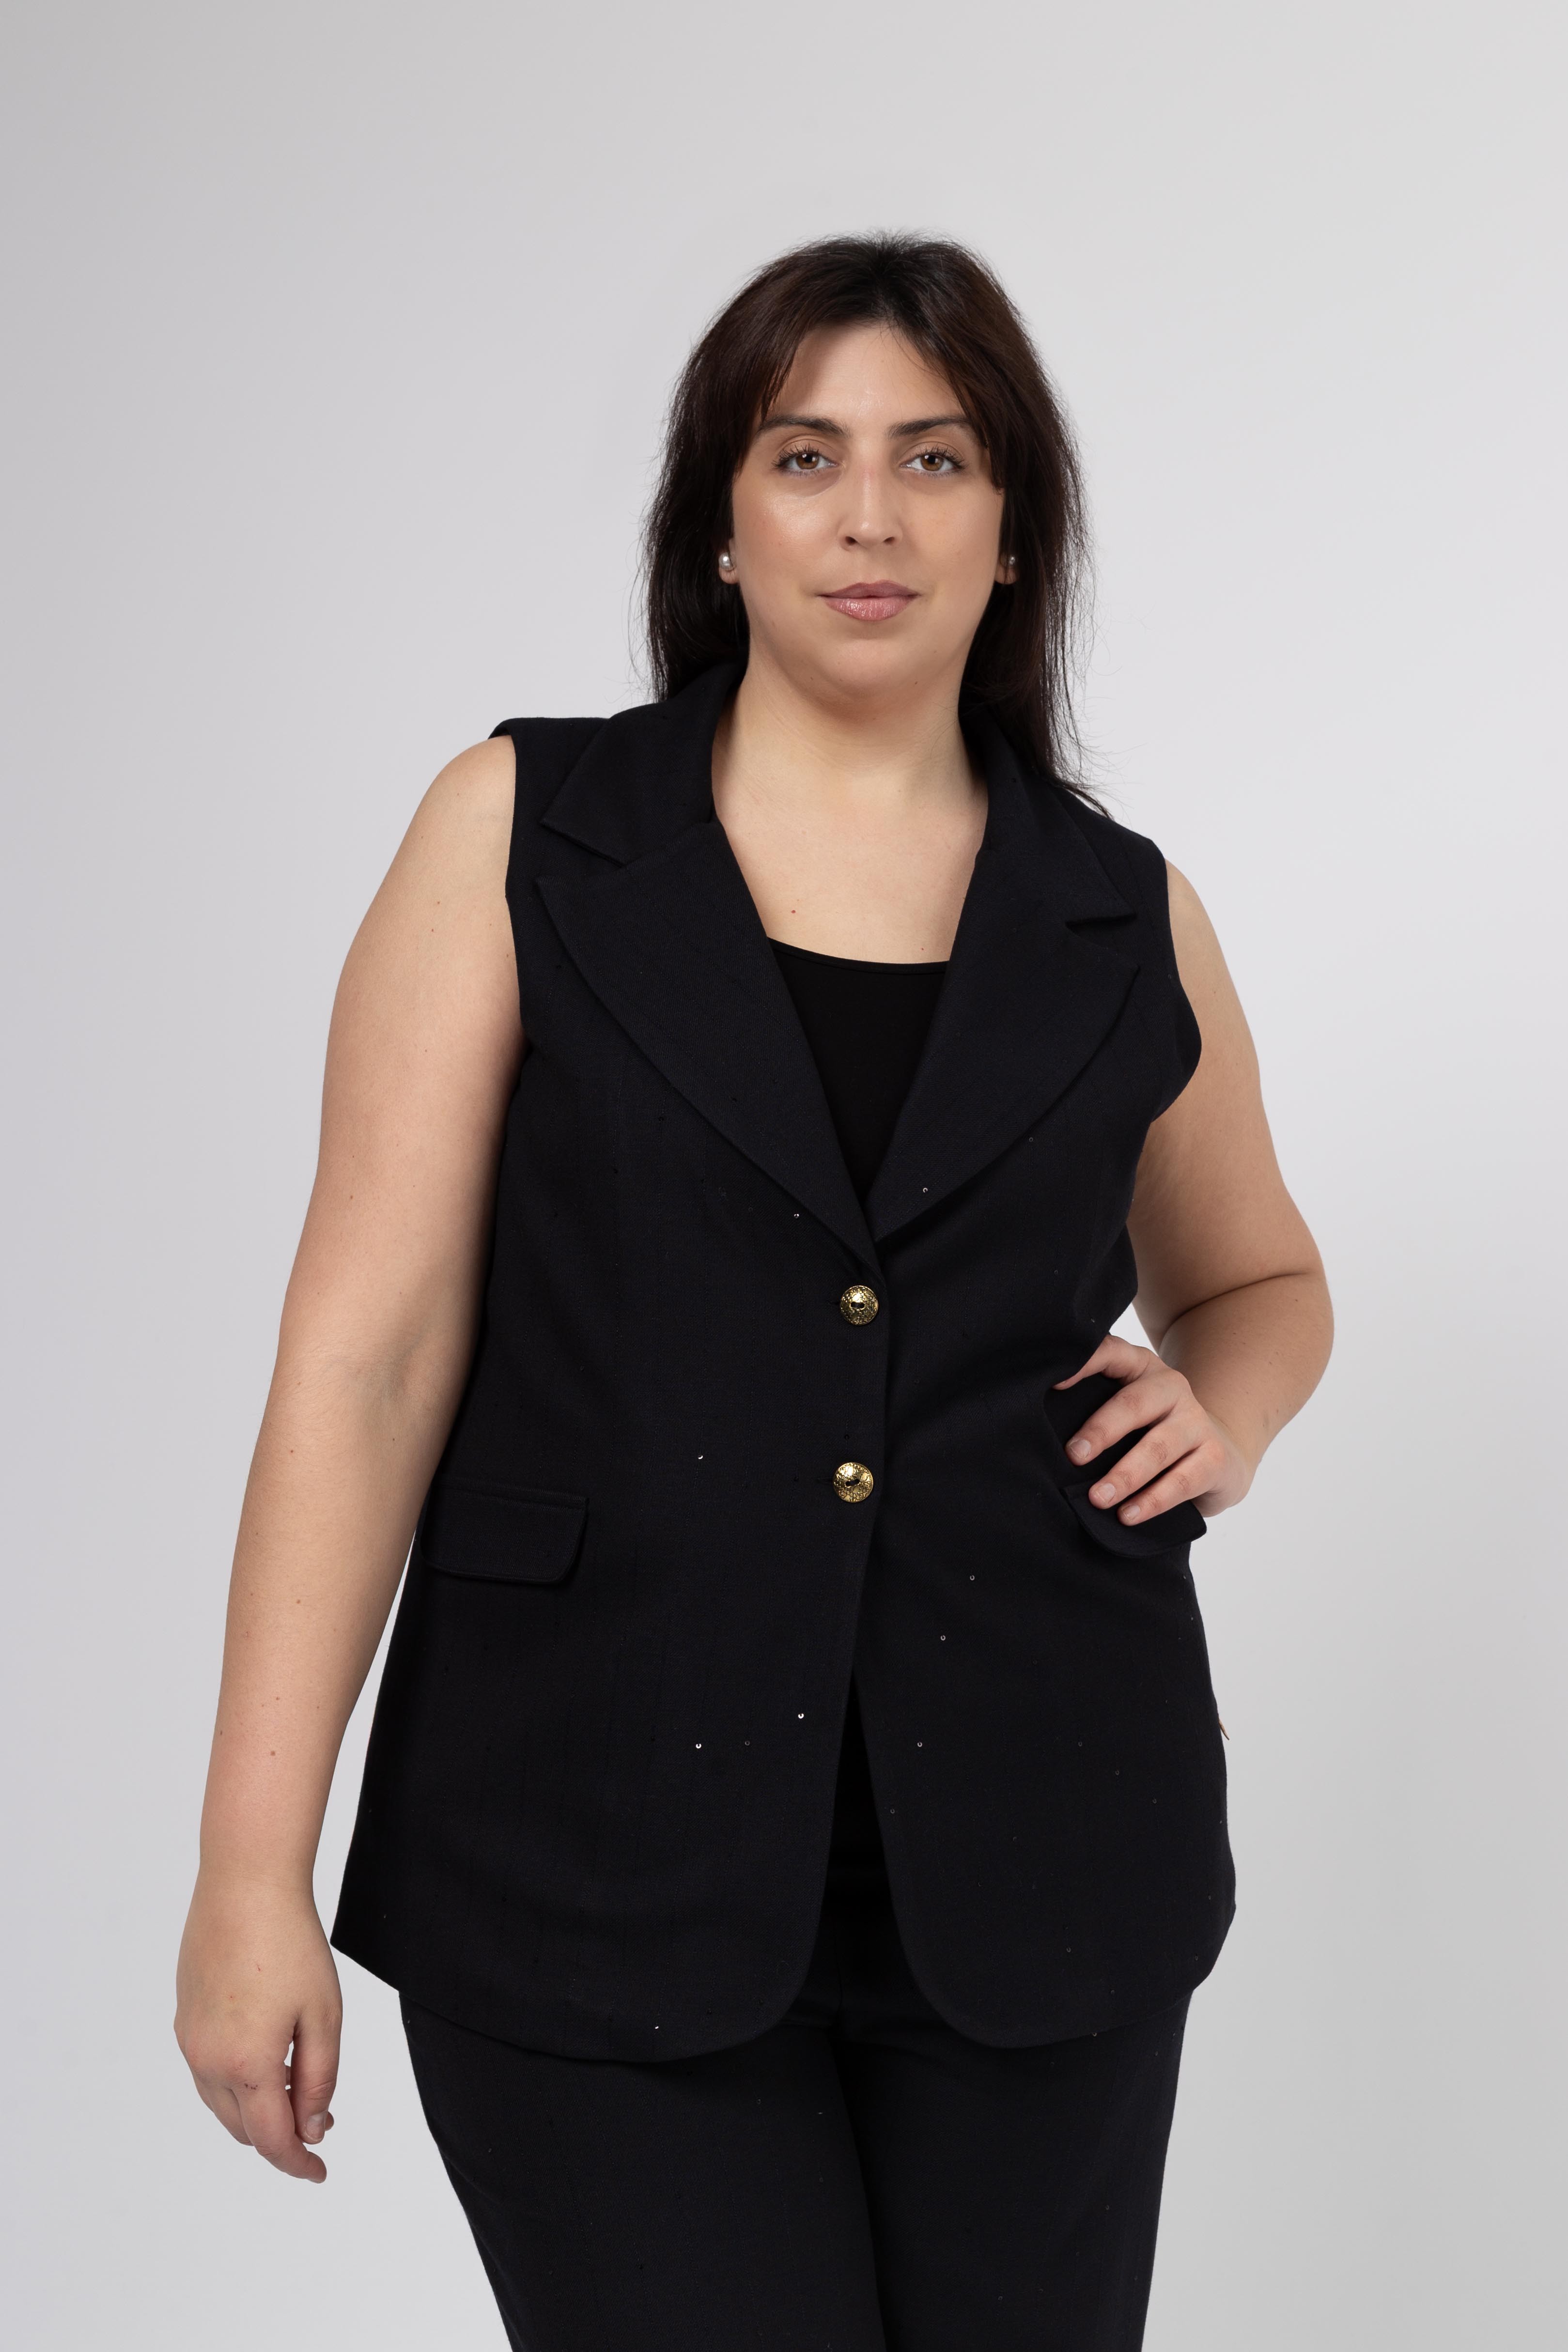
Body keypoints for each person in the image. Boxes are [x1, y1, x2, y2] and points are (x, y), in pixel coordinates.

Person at [175, 233, 1332, 2351]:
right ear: (722, 522)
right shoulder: (525, 832)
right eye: (806, 456)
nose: (870, 515)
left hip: (1052, 1858)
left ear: (1014, 532)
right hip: (581, 1840)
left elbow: (1259, 1273)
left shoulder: (1122, 913)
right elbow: (365, 1363)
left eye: (935, 458)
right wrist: (252, 1866)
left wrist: (1229, 1406)